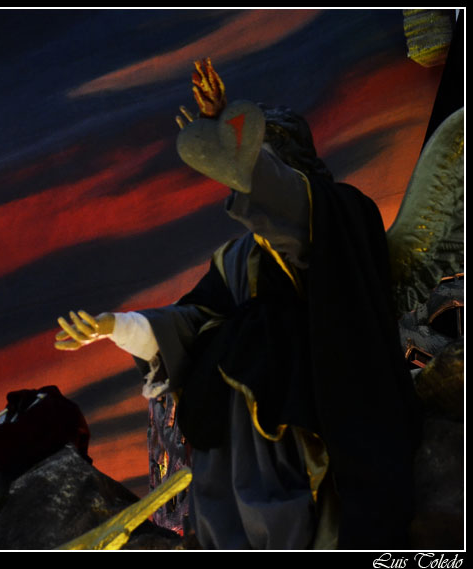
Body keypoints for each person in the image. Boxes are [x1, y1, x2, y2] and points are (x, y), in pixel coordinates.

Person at [55, 60, 419, 549]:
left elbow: (289, 207)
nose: (241, 174)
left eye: (258, 153)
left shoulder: (341, 212)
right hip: (233, 436)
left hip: (311, 411)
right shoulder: (237, 256)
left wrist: (234, 139)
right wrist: (116, 326)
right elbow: (195, 321)